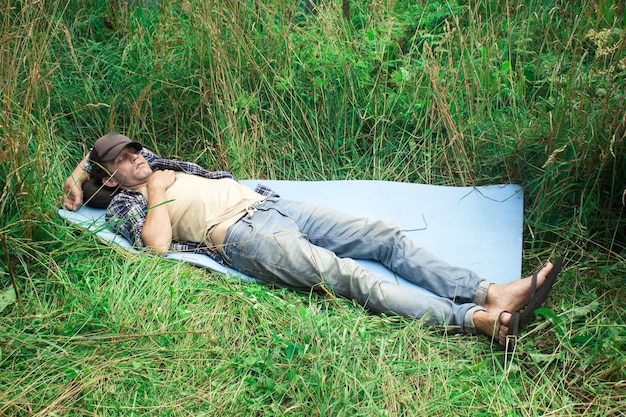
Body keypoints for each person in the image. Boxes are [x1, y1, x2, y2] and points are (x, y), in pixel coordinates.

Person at [63, 133, 562, 351]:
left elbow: (97, 154)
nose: (137, 158)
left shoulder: (144, 161)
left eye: (135, 151)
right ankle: (478, 321)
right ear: (111, 181)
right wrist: (151, 191)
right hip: (245, 237)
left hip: (274, 205)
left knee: (382, 237)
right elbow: (154, 246)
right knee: (349, 276)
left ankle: (487, 291)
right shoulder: (129, 200)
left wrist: (81, 168)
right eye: (125, 160)